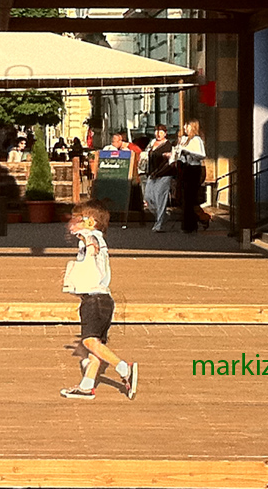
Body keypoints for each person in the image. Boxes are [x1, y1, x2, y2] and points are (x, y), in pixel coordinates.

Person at [59, 201, 138, 401]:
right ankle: (86, 386)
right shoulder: (97, 239)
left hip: (94, 300)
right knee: (94, 349)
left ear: (91, 222)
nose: (73, 223)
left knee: (89, 341)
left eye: (78, 219)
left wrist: (85, 238)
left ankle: (124, 368)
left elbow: (91, 245)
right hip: (103, 300)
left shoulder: (91, 237)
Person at [176, 120, 208, 233]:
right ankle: (189, 224)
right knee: (186, 197)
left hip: (194, 168)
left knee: (190, 197)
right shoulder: (185, 139)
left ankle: (192, 224)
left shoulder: (196, 139)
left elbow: (201, 155)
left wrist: (188, 152)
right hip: (186, 167)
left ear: (193, 127)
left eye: (187, 126)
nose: (185, 128)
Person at [144, 124, 174, 233]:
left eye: (161, 132)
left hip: (164, 174)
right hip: (152, 174)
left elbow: (170, 161)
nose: (158, 134)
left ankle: (159, 224)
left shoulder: (168, 145)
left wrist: (166, 156)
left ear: (165, 133)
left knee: (160, 198)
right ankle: (164, 216)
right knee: (148, 197)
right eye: (156, 131)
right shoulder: (152, 143)